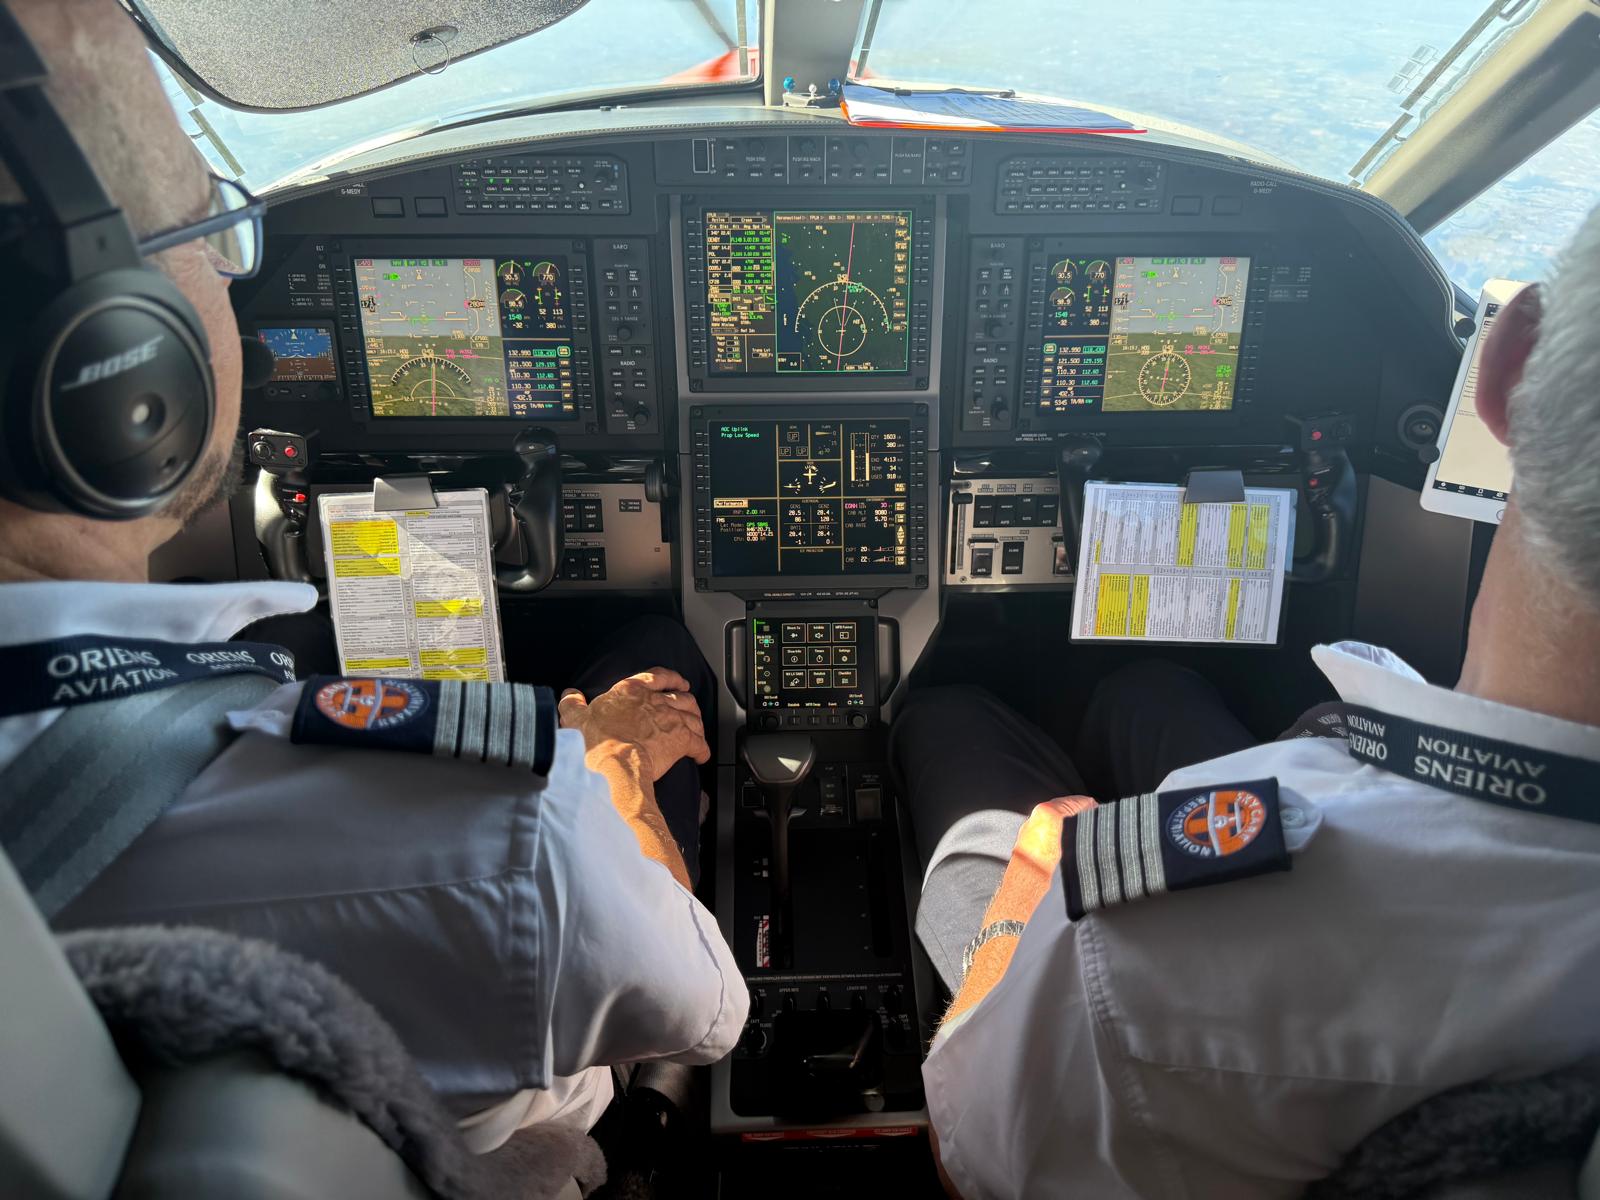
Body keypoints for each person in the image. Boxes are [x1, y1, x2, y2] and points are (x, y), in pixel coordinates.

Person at [0, 0, 744, 1151]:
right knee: (653, 660)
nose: (236, 283)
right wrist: (609, 774)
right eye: (209, 232)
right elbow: (710, 1011)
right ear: (116, 358)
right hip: (546, 1151)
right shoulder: (501, 837)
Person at [894, 208, 1600, 1198]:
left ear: (1506, 366)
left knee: (951, 724)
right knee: (1146, 687)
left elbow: (967, 1149)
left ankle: (954, 729)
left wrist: (1033, 900)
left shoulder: (1141, 950)